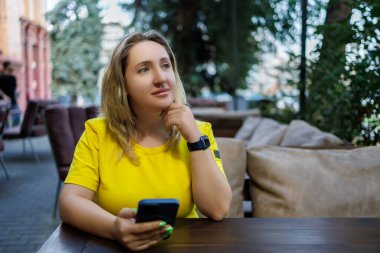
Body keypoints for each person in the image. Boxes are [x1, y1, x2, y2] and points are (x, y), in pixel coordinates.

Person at [59, 30, 232, 251]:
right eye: (144, 69)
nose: (161, 78)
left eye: (165, 65)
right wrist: (115, 228)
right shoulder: (97, 133)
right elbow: (69, 202)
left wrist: (194, 139)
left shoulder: (199, 132)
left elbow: (217, 209)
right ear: (124, 86)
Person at [0, 61, 20, 126]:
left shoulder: (13, 78)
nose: (12, 67)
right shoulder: (1, 77)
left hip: (13, 100)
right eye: (11, 65)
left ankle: (14, 131)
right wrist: (4, 96)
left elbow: (14, 88)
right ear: (7, 67)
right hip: (3, 102)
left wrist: (17, 94)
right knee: (4, 120)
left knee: (17, 116)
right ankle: (6, 132)